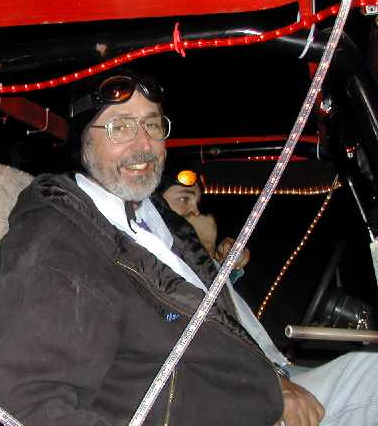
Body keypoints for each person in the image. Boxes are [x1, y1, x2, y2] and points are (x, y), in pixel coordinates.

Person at [0, 70, 289, 425]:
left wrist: (275, 385)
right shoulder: (59, 244)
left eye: (152, 125)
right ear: (83, 138)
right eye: (121, 127)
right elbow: (24, 405)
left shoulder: (161, 220)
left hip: (260, 395)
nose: (143, 144)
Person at [158, 164, 378, 426]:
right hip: (243, 387)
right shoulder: (160, 266)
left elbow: (227, 313)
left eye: (197, 202)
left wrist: (222, 266)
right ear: (157, 207)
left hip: (272, 369)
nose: (196, 211)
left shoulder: (195, 264)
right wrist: (202, 248)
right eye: (184, 199)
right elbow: (196, 330)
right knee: (371, 371)